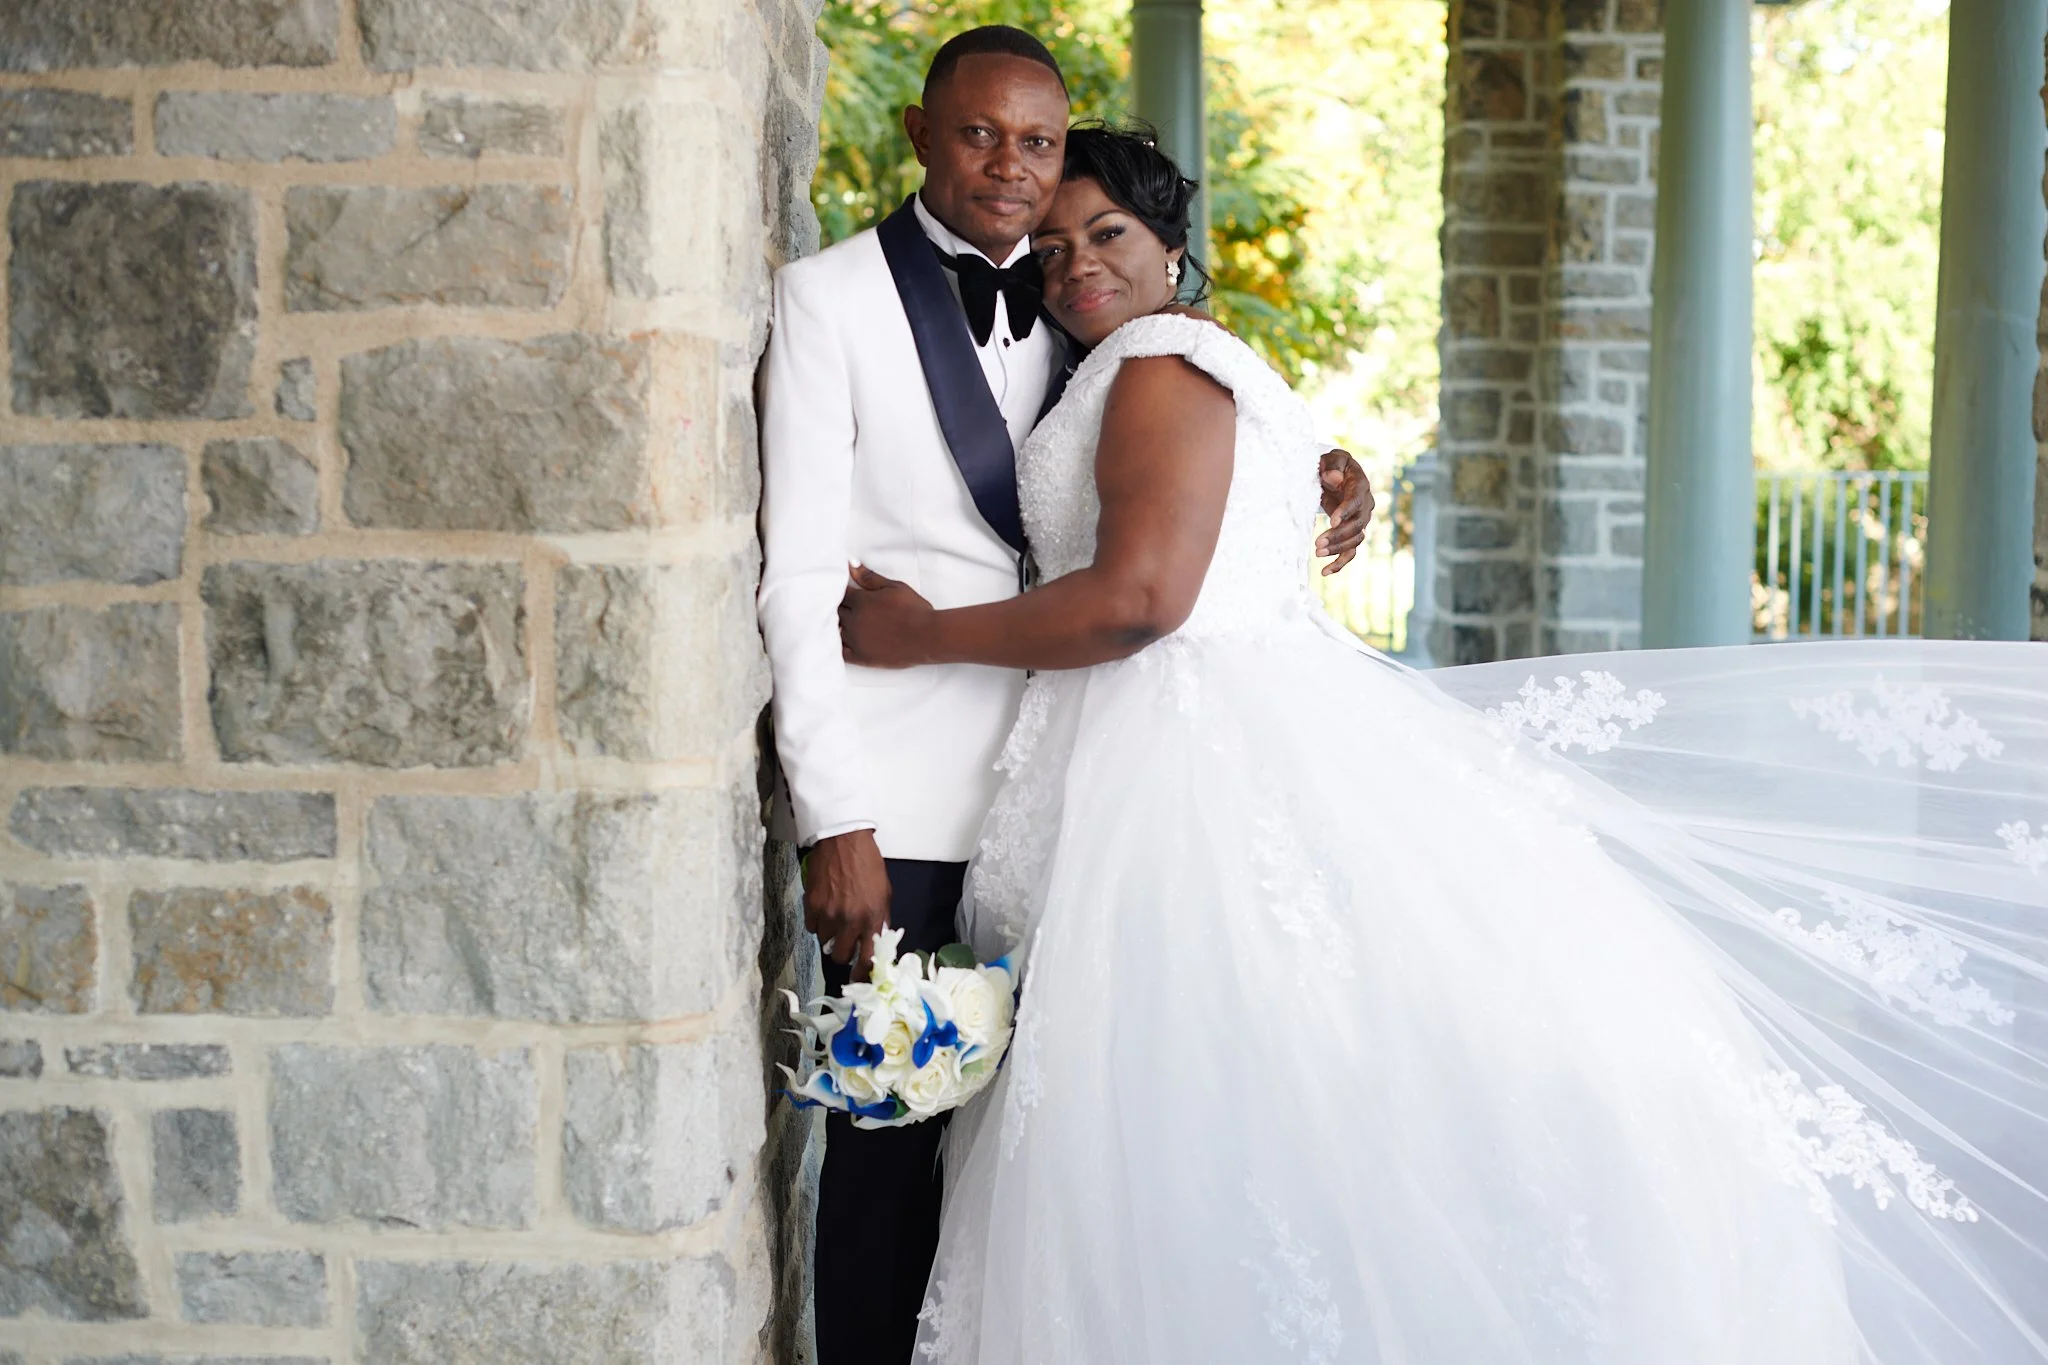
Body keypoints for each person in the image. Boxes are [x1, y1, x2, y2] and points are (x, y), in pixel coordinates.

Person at [839, 124, 2048, 1363]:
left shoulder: (1150, 363)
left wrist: (922, 633)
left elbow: (1143, 600)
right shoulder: (1180, 358)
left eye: (1105, 236)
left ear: (1169, 247)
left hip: (1176, 758)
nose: (1072, 267)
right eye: (1049, 249)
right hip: (1193, 731)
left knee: (1184, 1099)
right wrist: (1330, 469)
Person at [756, 31, 1375, 1363]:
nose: (1014, 171)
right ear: (922, 134)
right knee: (886, 1160)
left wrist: (1320, 467)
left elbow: (1182, 438)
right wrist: (834, 814)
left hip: (1087, 813)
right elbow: (797, 580)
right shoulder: (828, 302)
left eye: (1037, 145)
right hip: (909, 815)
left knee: (1069, 1163)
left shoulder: (1078, 296)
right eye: (982, 136)